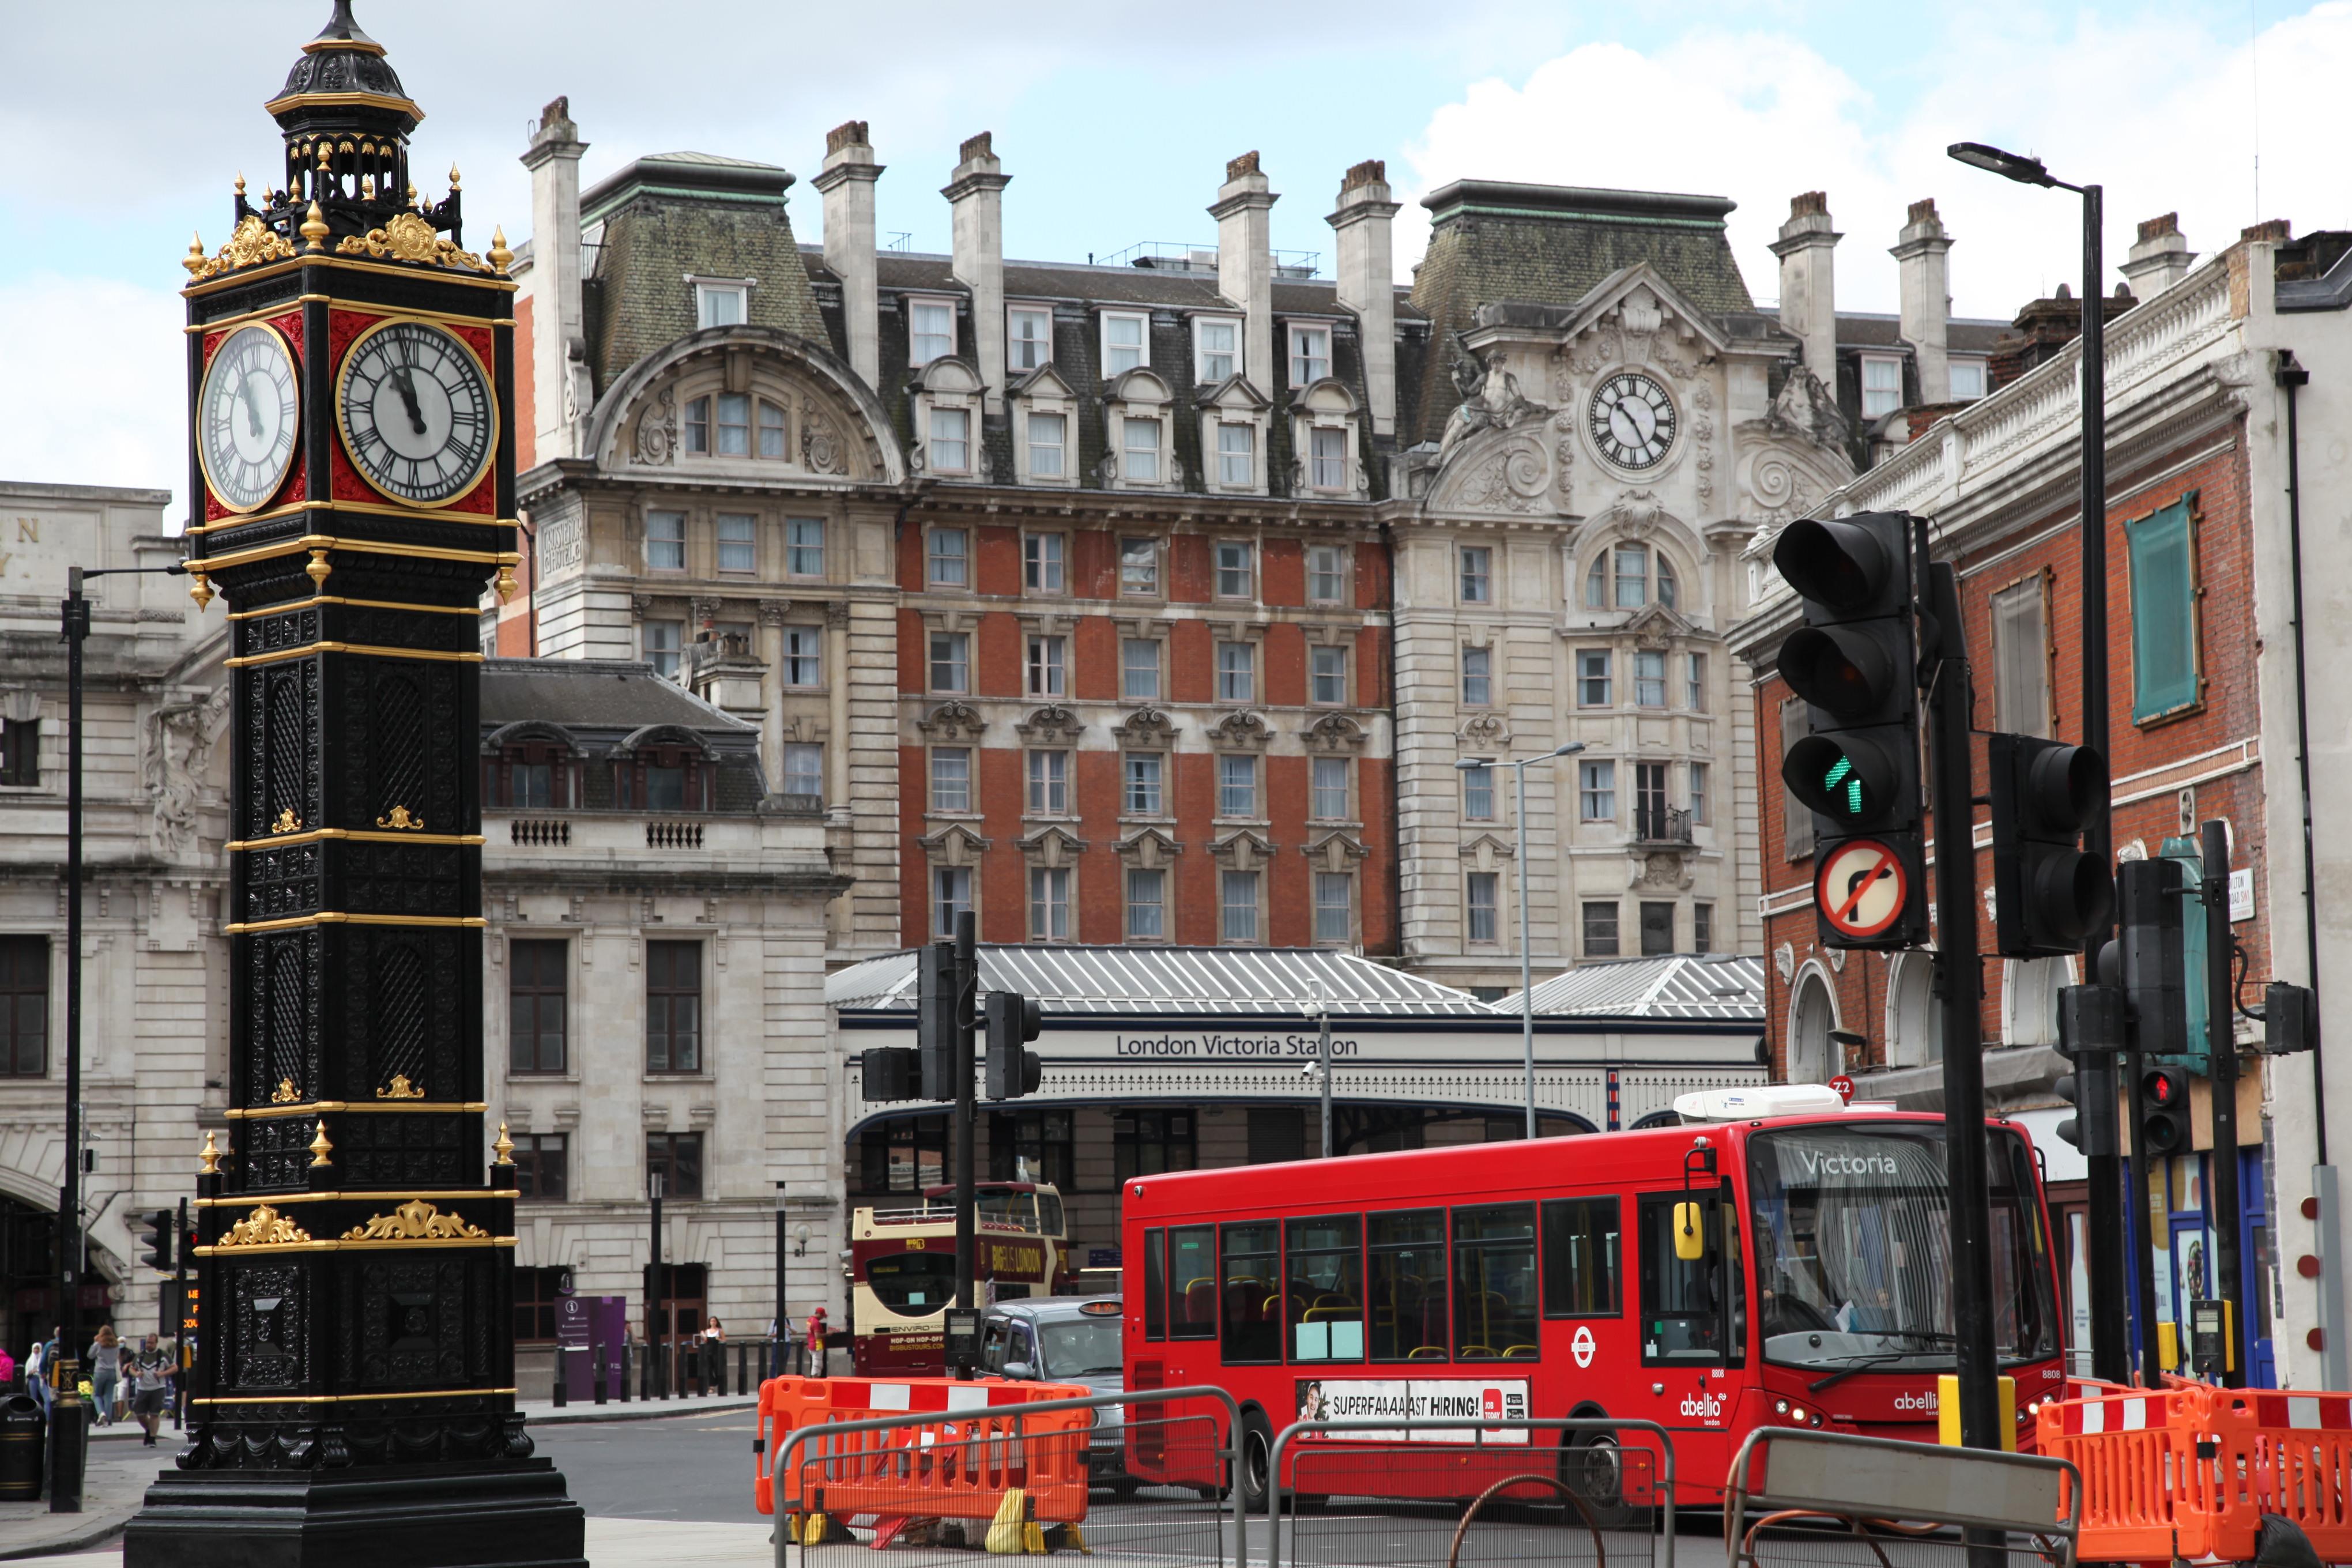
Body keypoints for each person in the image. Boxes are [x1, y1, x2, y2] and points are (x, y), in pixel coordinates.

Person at [127, 1335, 168, 1446]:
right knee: (140, 1413)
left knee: (155, 1414)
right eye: (147, 1343)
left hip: (158, 1388)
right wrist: (136, 1374)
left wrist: (162, 1374)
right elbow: (131, 1369)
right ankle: (149, 1430)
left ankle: (152, 1438)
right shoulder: (140, 1356)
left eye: (151, 1343)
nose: (149, 1345)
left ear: (156, 1343)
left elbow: (175, 1368)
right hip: (143, 1389)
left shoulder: (163, 1355)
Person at [88, 1326, 121, 1426]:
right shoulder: (116, 1345)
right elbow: (117, 1357)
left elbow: (90, 1355)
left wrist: (95, 1342)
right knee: (109, 1395)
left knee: (96, 1394)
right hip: (112, 1372)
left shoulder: (99, 1344)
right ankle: (108, 1419)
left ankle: (101, 1413)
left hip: (100, 1371)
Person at [805, 1307, 828, 1378]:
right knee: (817, 1366)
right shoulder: (816, 1323)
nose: (822, 1318)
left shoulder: (809, 1320)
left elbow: (810, 1333)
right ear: (818, 1314)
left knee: (815, 1365)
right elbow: (818, 1336)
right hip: (817, 1346)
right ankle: (815, 1383)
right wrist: (828, 1334)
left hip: (811, 1345)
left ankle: (815, 1382)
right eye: (822, 1316)